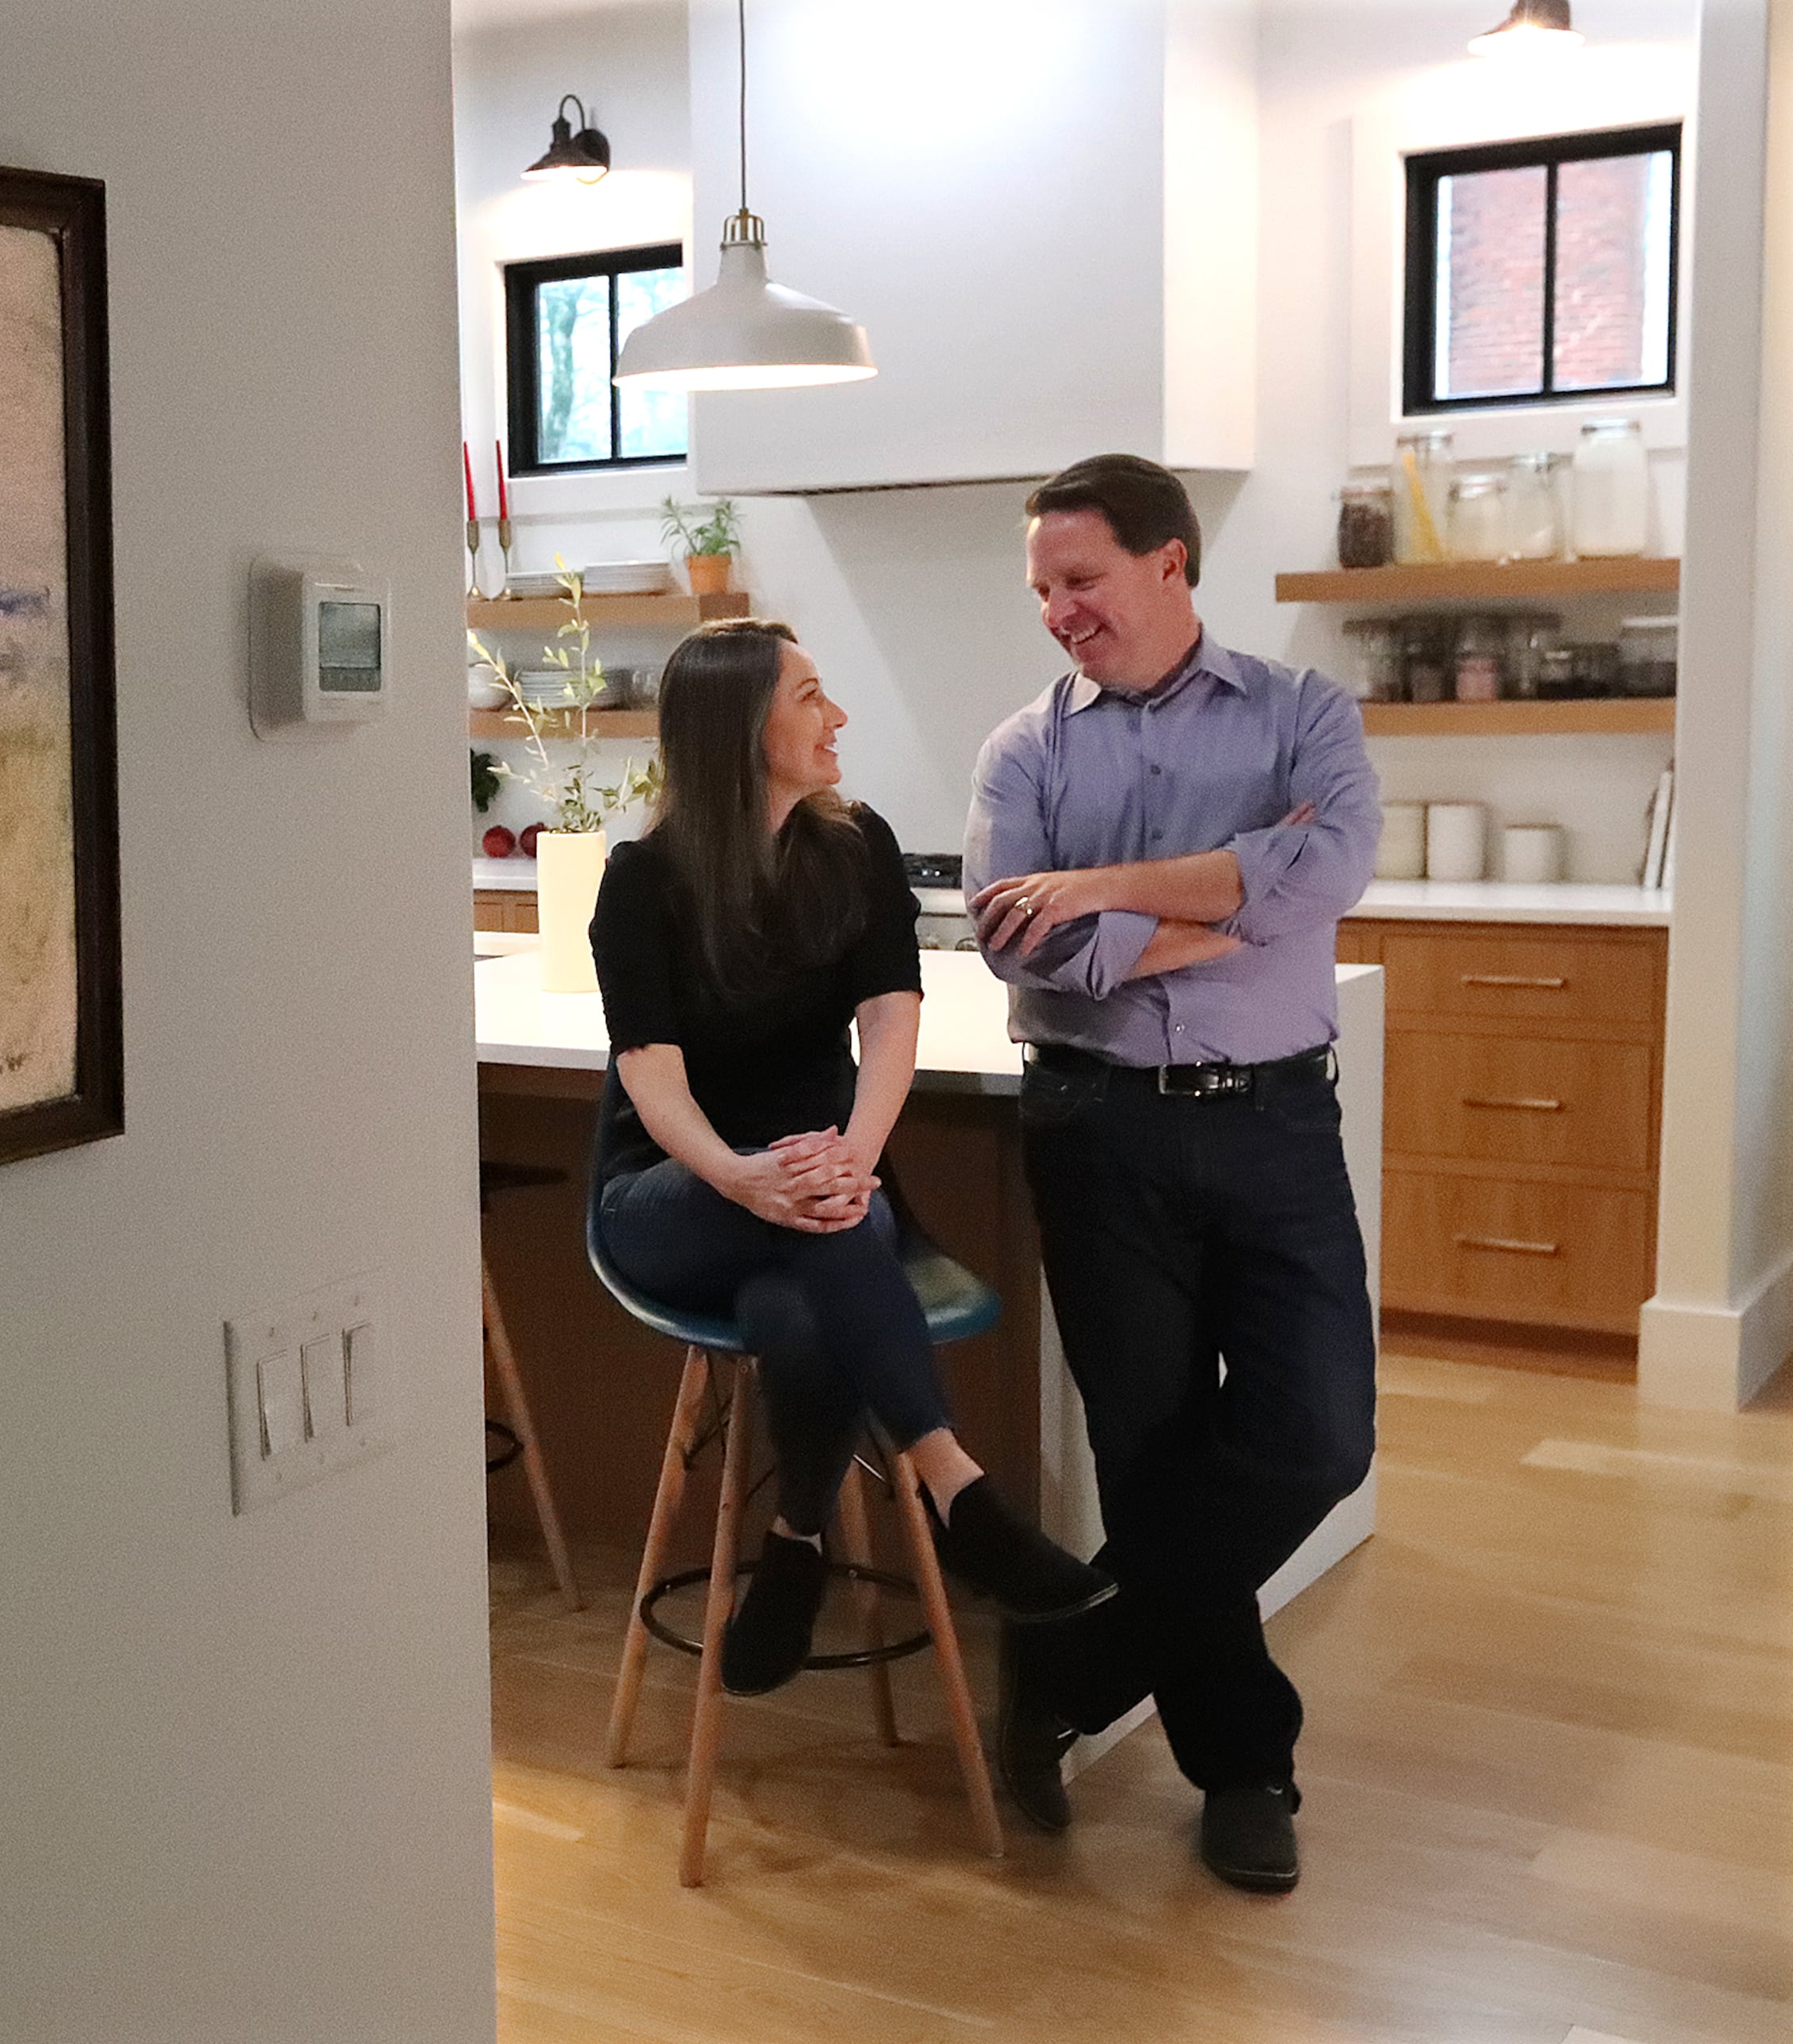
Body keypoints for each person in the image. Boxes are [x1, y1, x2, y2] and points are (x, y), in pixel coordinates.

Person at [963, 454, 1380, 1895]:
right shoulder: (1026, 753)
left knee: (1318, 1437)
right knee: (1148, 1460)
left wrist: (1110, 887)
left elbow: (1332, 873)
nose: (1059, 613)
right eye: (1042, 592)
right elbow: (1026, 946)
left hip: (1274, 1123)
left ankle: (1072, 1656)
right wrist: (1232, 904)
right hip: (1100, 1131)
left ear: (1169, 565)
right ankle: (1245, 1763)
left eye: (1079, 582)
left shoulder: (1302, 713)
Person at [590, 619, 1114, 1699]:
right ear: (741, 729)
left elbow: (890, 1017)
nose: (838, 718)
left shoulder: (855, 848)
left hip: (830, 1173)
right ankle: (954, 1486)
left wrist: (857, 1155)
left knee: (810, 1283)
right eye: (812, 696)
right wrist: (738, 1176)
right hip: (672, 1191)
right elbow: (651, 1074)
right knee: (838, 1229)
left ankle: (794, 1545)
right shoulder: (642, 882)